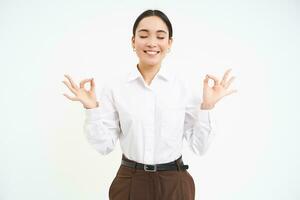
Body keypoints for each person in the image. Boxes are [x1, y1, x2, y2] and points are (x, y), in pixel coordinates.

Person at [62, 9, 236, 200]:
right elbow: (104, 146)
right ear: (133, 41)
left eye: (160, 36)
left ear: (169, 43)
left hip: (174, 183)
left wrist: (207, 107)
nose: (152, 43)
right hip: (130, 181)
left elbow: (199, 148)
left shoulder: (183, 87)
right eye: (143, 35)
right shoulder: (116, 87)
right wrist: (91, 108)